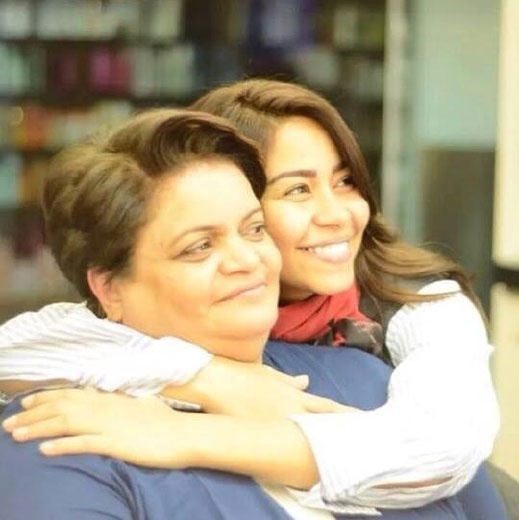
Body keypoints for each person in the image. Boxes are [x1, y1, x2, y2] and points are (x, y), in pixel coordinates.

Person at [0, 80, 500, 511]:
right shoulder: (67, 432)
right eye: (199, 246)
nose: (336, 214)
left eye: (253, 229)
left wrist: (185, 431)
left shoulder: (400, 334)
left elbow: (441, 446)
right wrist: (201, 377)